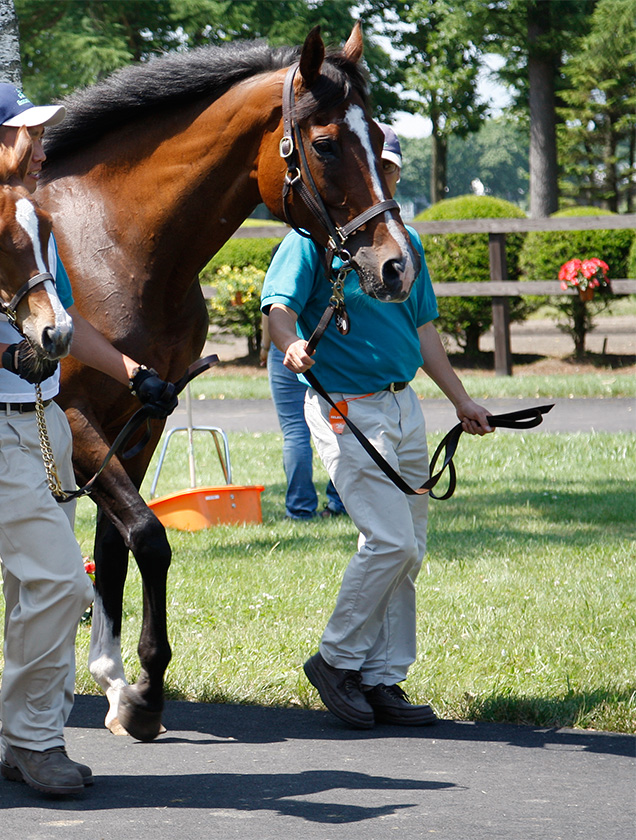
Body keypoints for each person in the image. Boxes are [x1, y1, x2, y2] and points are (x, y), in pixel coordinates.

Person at [0, 82, 177, 796]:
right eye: (28, 135)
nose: (42, 148)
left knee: (30, 588)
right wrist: (6, 357)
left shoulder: (31, 219)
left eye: (42, 136)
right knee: (60, 582)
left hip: (46, 423)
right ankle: (37, 740)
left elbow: (67, 326)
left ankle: (22, 738)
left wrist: (134, 373)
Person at [260, 123, 492, 730]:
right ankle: (336, 661)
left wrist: (461, 401)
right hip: (346, 409)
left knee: (409, 551)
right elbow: (278, 311)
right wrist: (289, 345)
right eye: (374, 168)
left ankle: (382, 676)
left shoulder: (404, 243)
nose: (382, 178)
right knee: (390, 542)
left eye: (389, 169)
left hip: (403, 406)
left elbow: (423, 330)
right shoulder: (310, 240)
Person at [263, 314, 345, 520]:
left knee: (295, 432)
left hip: (285, 348)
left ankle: (300, 507)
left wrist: (265, 346)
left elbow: (270, 313)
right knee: (340, 429)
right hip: (330, 346)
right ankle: (340, 501)